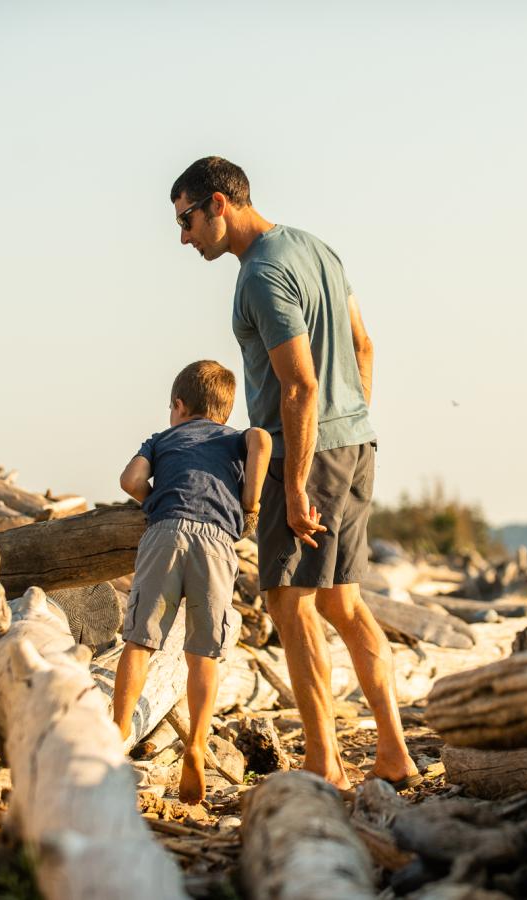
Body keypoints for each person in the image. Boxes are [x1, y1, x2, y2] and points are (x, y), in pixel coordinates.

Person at [169, 157, 419, 794]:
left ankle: (324, 763)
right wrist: (352, 419)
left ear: (220, 204)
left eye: (188, 219)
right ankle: (392, 751)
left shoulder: (261, 274)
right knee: (342, 599)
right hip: (354, 443)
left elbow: (301, 386)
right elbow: (363, 345)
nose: (185, 236)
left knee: (289, 602)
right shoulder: (316, 248)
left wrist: (298, 480)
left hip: (305, 454)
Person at [113, 359, 271, 804]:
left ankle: (117, 734)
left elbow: (129, 480)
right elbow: (261, 438)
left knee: (140, 642)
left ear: (179, 406)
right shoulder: (236, 438)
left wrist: (154, 500)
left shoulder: (163, 439)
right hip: (218, 540)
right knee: (204, 655)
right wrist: (250, 503)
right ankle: (197, 747)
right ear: (224, 409)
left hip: (165, 532)